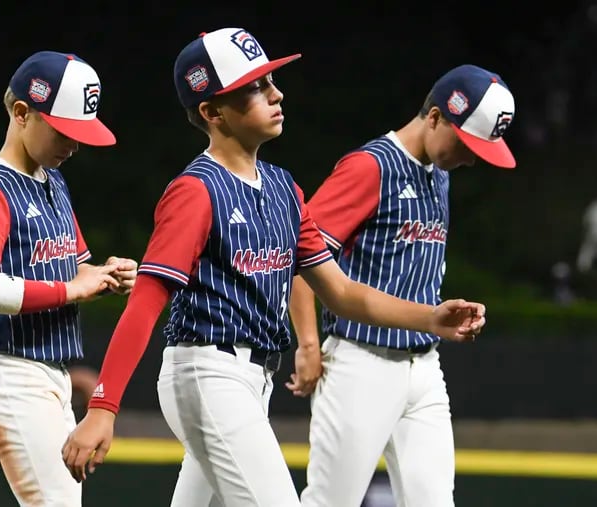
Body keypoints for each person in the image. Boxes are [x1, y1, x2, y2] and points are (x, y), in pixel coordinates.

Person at [61, 30, 485, 507]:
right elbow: (145, 305)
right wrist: (103, 405)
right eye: (255, 87)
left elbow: (343, 293)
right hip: (208, 372)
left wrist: (429, 318)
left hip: (252, 380)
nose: (276, 93)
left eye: (270, 80)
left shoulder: (284, 189)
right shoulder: (195, 191)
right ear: (212, 112)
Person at [286, 64, 516, 507]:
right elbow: (303, 258)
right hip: (359, 361)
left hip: (425, 368)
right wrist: (309, 345)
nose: (470, 158)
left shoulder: (439, 172)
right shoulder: (370, 167)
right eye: (465, 143)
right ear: (434, 117)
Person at [0, 50, 138, 507]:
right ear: (22, 113)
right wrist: (72, 289)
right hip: (5, 370)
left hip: (44, 371)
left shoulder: (52, 180)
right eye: (64, 131)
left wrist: (104, 274)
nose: (73, 145)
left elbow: (74, 267)